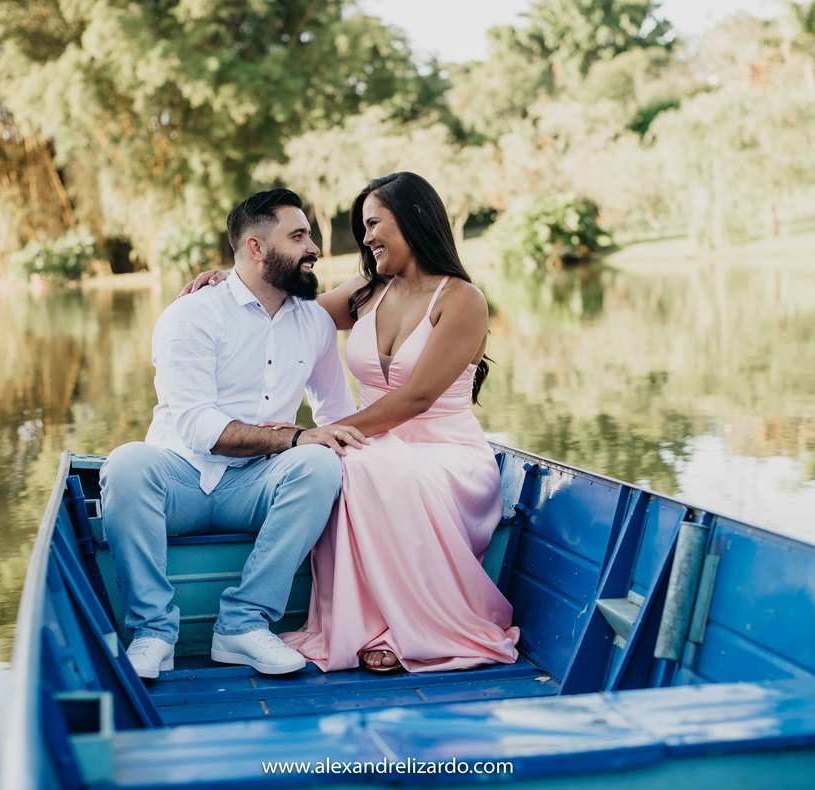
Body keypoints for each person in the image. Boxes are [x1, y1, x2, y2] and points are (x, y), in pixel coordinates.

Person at [187, 172, 519, 673]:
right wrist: (231, 276)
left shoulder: (462, 299)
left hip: (444, 450)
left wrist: (332, 435)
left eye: (373, 224)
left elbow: (418, 396)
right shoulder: (367, 291)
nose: (365, 239)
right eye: (362, 227)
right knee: (344, 467)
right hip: (375, 443)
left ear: (414, 219)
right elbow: (287, 309)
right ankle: (367, 627)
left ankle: (411, 628)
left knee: (358, 466)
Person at [100, 188, 368, 679]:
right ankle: (154, 634)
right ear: (256, 247)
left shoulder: (315, 324)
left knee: (321, 462)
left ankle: (242, 625)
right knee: (125, 464)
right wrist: (292, 437)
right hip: (178, 479)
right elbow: (199, 427)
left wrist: (328, 445)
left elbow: (336, 415)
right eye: (299, 236)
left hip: (256, 484)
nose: (314, 248)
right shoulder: (192, 313)